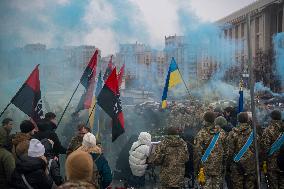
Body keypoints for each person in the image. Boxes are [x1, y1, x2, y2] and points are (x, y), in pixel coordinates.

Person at [194, 111, 227, 189]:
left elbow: (197, 153)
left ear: (204, 119)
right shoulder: (222, 132)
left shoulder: (201, 134)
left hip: (205, 168)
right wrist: (224, 165)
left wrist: (196, 169)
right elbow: (226, 151)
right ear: (214, 119)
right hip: (218, 166)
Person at [227, 112, 258, 189]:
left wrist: (228, 165)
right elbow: (259, 150)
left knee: (237, 186)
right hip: (250, 165)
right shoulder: (254, 133)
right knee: (250, 185)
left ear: (238, 120)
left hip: (236, 165)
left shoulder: (232, 133)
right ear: (248, 120)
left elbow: (229, 152)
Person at [261, 110, 284, 189]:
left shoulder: (267, 130)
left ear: (271, 117)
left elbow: (265, 148)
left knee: (273, 184)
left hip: (272, 163)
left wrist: (263, 161)